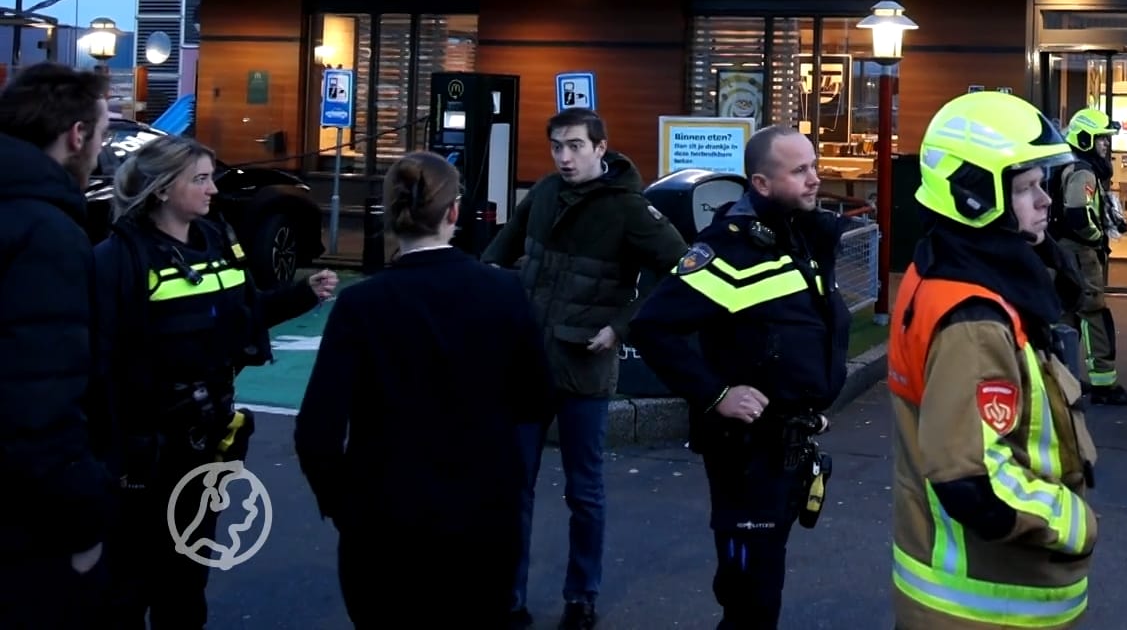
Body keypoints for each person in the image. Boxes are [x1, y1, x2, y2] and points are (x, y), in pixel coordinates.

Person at [297, 151, 555, 628]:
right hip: (483, 519)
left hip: (385, 520)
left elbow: (317, 430)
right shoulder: (502, 293)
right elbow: (536, 399)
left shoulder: (361, 305)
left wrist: (344, 508)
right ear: (454, 213)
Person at [92, 134, 338, 630]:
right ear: (162, 189)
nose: (212, 191)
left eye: (211, 179)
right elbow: (98, 361)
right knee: (127, 583)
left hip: (206, 446)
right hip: (143, 453)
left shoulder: (218, 243)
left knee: (186, 578)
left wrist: (301, 296)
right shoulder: (117, 260)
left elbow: (241, 317)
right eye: (200, 180)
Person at [888, 91, 1101, 629]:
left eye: (1041, 184)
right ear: (974, 195)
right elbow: (972, 479)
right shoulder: (975, 321)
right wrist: (1074, 524)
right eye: (1026, 188)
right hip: (989, 600)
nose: (1045, 200)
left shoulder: (951, 266)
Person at [631, 124, 851, 630]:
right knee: (750, 595)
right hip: (746, 450)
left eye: (814, 166)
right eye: (799, 171)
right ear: (761, 183)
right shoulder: (729, 248)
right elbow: (653, 327)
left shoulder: (802, 238)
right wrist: (716, 395)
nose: (815, 179)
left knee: (762, 584)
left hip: (788, 446)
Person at [482, 107, 689, 629]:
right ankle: (508, 598)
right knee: (513, 488)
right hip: (526, 363)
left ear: (601, 147)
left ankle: (581, 597)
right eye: (557, 146)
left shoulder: (629, 209)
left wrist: (622, 325)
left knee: (585, 490)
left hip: (583, 368)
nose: (564, 157)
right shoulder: (545, 193)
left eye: (575, 146)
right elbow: (496, 256)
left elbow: (684, 268)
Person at [0, 63, 115, 628]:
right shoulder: (48, 234)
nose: (102, 147)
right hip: (27, 528)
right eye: (102, 133)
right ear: (76, 135)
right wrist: (81, 524)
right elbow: (42, 399)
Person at [1049, 108, 1127, 406]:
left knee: (1068, 313)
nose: (1105, 144)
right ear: (1085, 138)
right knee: (1094, 312)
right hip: (1080, 252)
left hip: (1064, 250)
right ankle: (1104, 384)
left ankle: (1063, 376)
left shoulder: (1070, 164)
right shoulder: (1083, 171)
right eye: (1101, 139)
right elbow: (1077, 212)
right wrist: (1096, 237)